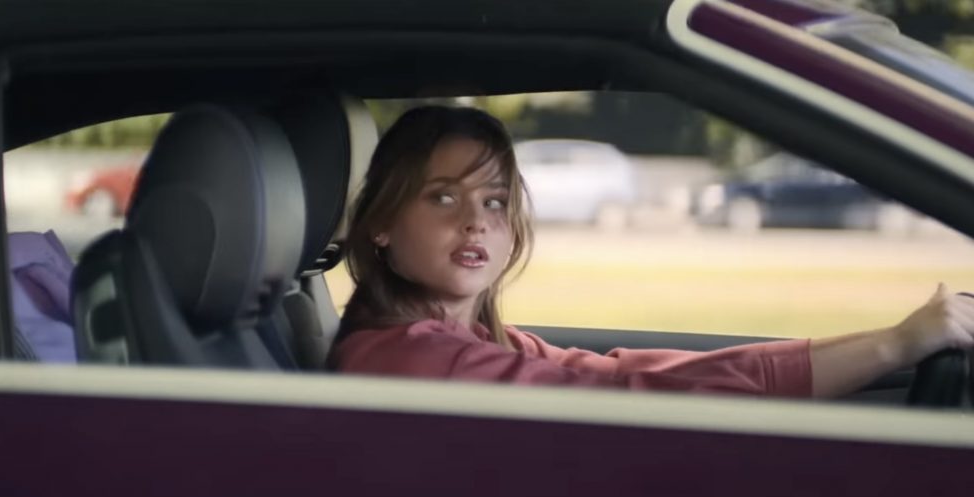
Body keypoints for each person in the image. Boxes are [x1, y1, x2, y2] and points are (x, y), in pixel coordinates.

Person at [327, 105, 974, 398]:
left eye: (495, 201)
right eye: (443, 198)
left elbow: (623, 371)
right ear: (381, 224)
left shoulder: (466, 341)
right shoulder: (415, 358)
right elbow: (637, 397)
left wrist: (891, 340)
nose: (476, 222)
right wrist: (893, 347)